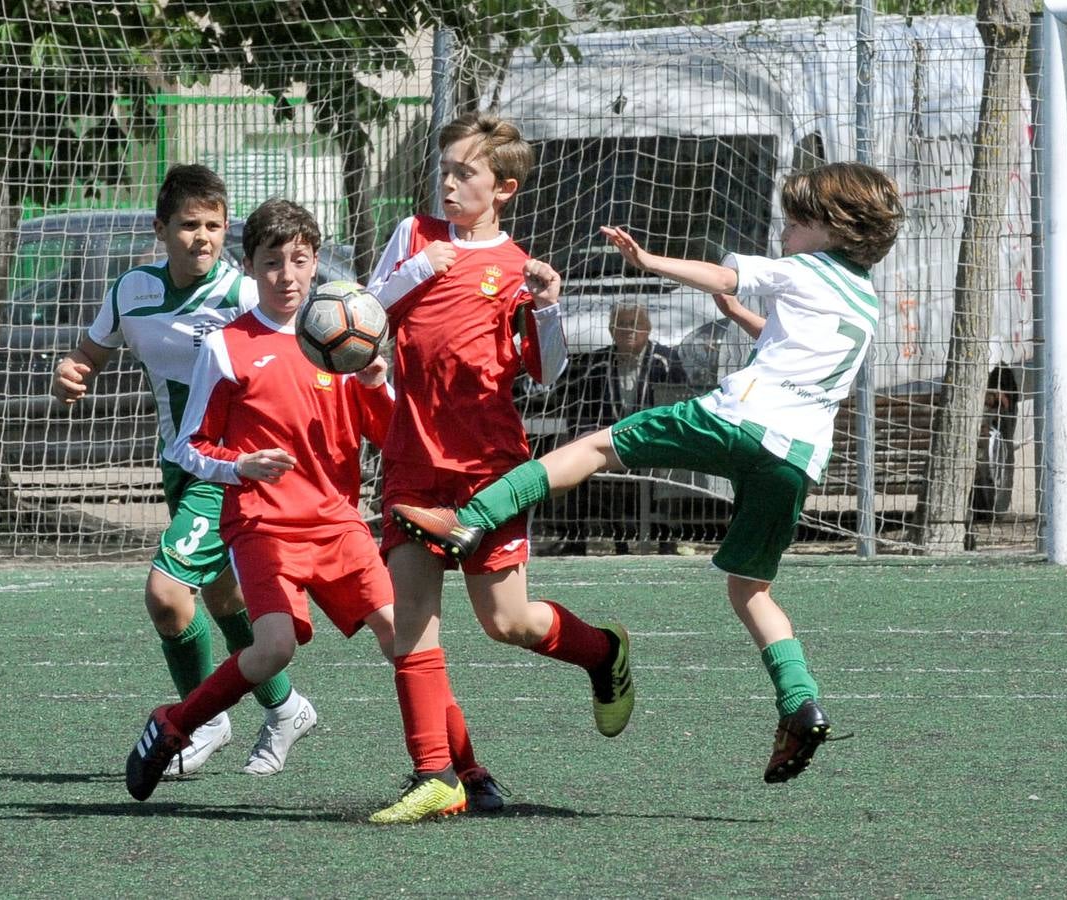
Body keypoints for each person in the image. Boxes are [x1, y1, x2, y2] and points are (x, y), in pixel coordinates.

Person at [393, 161, 905, 784]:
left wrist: (650, 261)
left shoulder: (804, 266)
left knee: (596, 448)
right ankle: (800, 701)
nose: (787, 230)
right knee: (751, 591)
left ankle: (471, 520)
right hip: (797, 458)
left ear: (834, 228)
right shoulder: (865, 299)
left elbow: (725, 271)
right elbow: (786, 336)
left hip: (738, 420)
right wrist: (741, 315)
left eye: (797, 221)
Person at [123, 198, 502, 815]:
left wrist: (377, 383)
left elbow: (388, 434)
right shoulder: (227, 347)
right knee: (273, 650)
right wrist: (237, 466)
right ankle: (172, 724)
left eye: (300, 260)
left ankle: (463, 769)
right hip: (264, 527)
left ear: (317, 263)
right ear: (251, 268)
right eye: (272, 263)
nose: (288, 276)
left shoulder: (344, 340)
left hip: (339, 523)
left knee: (405, 637)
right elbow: (187, 446)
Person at [365, 112, 635, 824]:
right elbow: (363, 317)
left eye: (466, 174)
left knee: (506, 622)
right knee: (410, 623)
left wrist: (547, 309)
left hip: (488, 470)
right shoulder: (414, 238)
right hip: (411, 461)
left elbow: (545, 374)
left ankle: (602, 651)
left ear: (503, 188)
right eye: (446, 170)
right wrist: (417, 272)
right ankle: (434, 775)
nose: (449, 184)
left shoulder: (518, 270)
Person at [51, 165, 315, 779]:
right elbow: (89, 353)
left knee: (168, 595)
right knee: (222, 595)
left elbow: (306, 352)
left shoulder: (246, 295)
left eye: (215, 226)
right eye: (190, 225)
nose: (203, 237)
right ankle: (286, 707)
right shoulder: (131, 292)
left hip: (227, 469)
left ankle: (203, 718)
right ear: (160, 229)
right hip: (179, 462)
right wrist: (71, 373)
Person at [548, 302, 687, 555]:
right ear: (611, 330)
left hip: (654, 441)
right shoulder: (596, 363)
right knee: (573, 459)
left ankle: (667, 540)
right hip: (608, 443)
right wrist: (586, 435)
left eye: (636, 325)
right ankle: (576, 540)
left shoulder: (666, 361)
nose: (629, 331)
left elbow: (679, 404)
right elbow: (578, 410)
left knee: (671, 471)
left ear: (648, 329)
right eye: (622, 326)